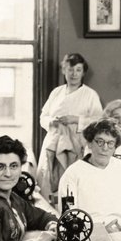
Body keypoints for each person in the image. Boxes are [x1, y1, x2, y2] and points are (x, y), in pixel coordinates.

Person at [36, 52, 103, 201]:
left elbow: (98, 120)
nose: (74, 74)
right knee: (48, 179)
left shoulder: (90, 95)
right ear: (64, 71)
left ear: (83, 72)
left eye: (78, 70)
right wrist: (51, 121)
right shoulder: (56, 92)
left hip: (76, 143)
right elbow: (43, 117)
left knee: (72, 182)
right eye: (70, 69)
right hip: (53, 141)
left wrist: (76, 119)